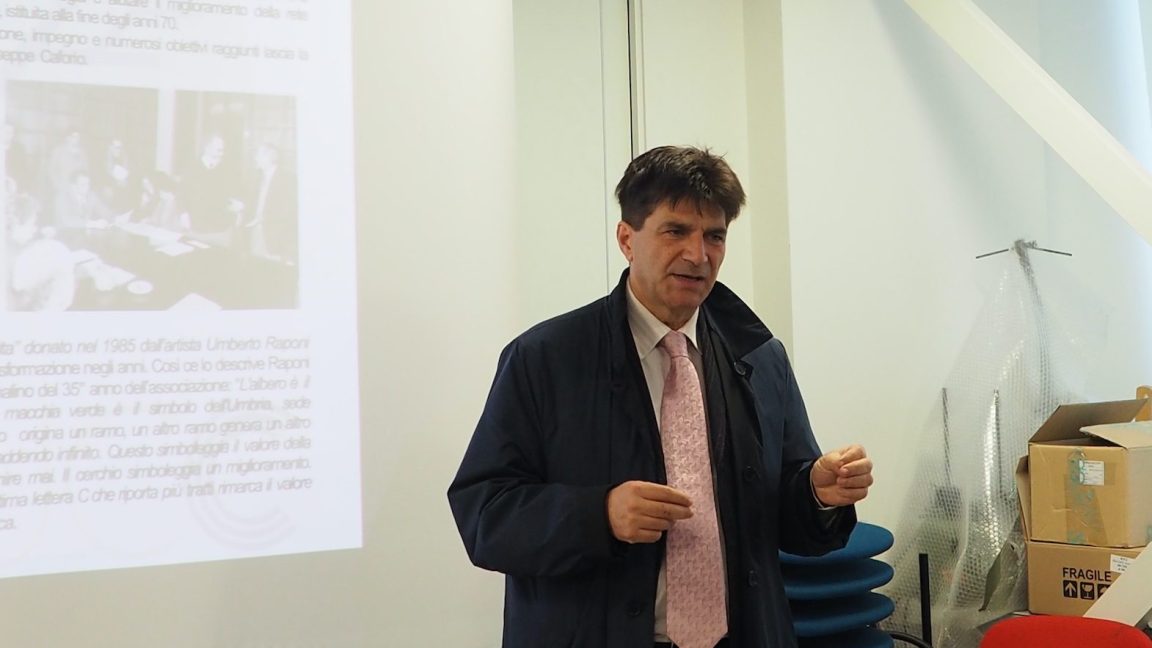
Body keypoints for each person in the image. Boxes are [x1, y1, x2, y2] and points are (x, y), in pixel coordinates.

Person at [448, 146, 874, 648]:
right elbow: (484, 513)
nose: (698, 254)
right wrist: (599, 515)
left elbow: (780, 523)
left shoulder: (760, 358)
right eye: (676, 231)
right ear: (627, 239)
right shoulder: (544, 359)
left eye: (714, 236)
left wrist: (817, 494)